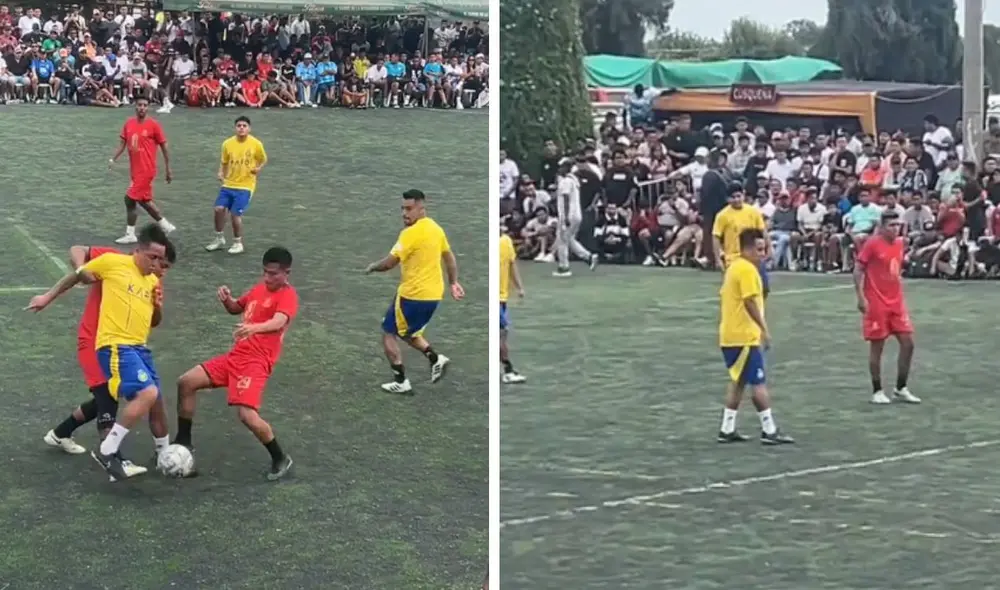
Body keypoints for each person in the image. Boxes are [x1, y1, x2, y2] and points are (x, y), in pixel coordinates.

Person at [26, 224, 174, 481]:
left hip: (131, 345)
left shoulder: (152, 280)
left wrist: (157, 306)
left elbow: (152, 320)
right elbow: (77, 251)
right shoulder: (112, 260)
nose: (159, 266)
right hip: (98, 340)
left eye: (163, 263)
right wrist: (78, 275)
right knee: (108, 395)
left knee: (111, 395)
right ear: (139, 250)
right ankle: (111, 457)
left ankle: (61, 433)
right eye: (156, 259)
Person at [173, 247, 298, 480]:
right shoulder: (259, 289)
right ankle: (183, 443)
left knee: (247, 415)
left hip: (256, 363)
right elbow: (236, 308)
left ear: (286, 273)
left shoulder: (287, 296)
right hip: (235, 357)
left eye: (274, 274)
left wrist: (253, 328)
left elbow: (279, 321)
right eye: (265, 273)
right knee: (186, 382)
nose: (268, 278)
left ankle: (280, 458)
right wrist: (227, 299)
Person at [365, 189, 465, 394]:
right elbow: (449, 257)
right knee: (409, 332)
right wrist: (453, 282)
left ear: (422, 208)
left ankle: (401, 381)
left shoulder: (410, 234)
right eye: (402, 209)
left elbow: (389, 263)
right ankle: (435, 359)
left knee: (389, 332)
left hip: (413, 295)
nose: (404, 213)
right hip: (433, 295)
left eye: (409, 209)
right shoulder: (436, 229)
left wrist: (373, 266)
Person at [717, 228, 794, 445]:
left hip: (730, 335)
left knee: (738, 381)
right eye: (760, 249)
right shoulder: (748, 270)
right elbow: (749, 302)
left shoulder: (734, 267)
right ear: (748, 249)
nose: (763, 254)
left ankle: (727, 428)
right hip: (744, 336)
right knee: (758, 383)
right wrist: (764, 329)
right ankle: (769, 430)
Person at [853, 210, 920, 405]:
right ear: (882, 227)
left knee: (908, 343)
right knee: (877, 347)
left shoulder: (900, 243)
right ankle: (877, 390)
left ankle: (901, 387)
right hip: (876, 302)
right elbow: (858, 269)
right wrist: (860, 297)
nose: (896, 229)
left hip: (896, 302)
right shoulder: (872, 244)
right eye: (891, 225)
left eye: (897, 225)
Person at [109, 96, 176, 244]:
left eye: (145, 105)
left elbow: (164, 147)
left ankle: (130, 233)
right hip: (135, 171)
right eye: (139, 105)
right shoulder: (129, 124)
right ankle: (165, 225)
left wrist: (168, 168)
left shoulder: (153, 125)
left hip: (146, 171)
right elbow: (123, 143)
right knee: (144, 201)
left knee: (129, 199)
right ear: (135, 106)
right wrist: (113, 158)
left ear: (148, 107)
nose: (142, 108)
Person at [205, 116, 268, 255]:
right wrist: (221, 172)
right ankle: (219, 238)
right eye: (239, 125)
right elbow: (224, 161)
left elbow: (263, 159)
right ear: (235, 128)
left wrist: (258, 168)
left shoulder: (256, 144)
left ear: (249, 128)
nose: (241, 128)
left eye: (244, 125)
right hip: (229, 184)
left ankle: (237, 242)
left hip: (245, 186)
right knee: (218, 209)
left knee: (235, 214)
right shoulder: (227, 144)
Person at [712, 183, 771, 296]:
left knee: (763, 287)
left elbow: (762, 231)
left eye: (739, 196)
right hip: (733, 258)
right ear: (727, 199)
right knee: (737, 291)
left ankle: (759, 309)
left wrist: (769, 248)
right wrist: (718, 258)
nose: (736, 200)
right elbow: (716, 237)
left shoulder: (753, 212)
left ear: (743, 195)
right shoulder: (722, 215)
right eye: (733, 197)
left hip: (754, 256)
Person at [553, 157, 598, 277]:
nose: (559, 169)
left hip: (568, 215)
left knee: (562, 240)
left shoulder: (566, 181)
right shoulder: (574, 180)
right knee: (569, 239)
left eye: (561, 167)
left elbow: (566, 199)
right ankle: (588, 257)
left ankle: (564, 267)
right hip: (576, 214)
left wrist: (566, 216)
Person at [499, 226, 526, 384]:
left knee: (502, 335)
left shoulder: (506, 241)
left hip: (502, 299)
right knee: (501, 335)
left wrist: (519, 287)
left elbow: (512, 266)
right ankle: (507, 370)